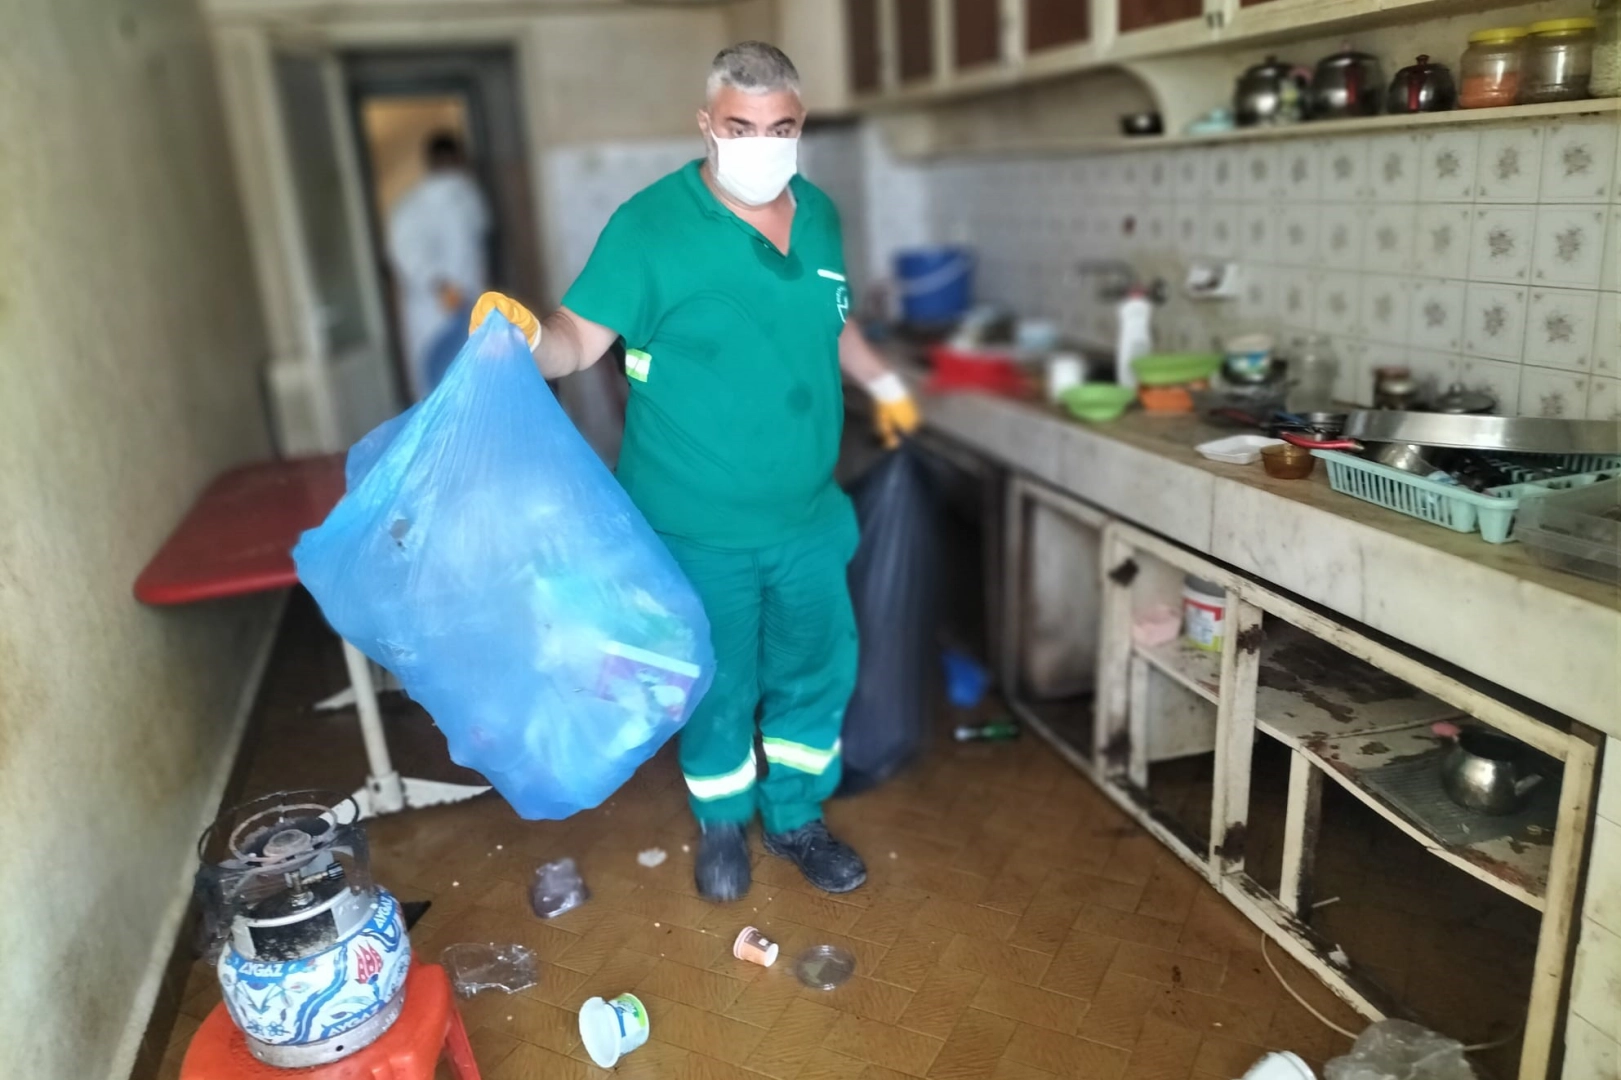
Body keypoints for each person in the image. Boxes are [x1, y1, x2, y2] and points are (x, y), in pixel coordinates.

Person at [470, 42, 921, 902]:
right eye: (741, 127)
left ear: (800, 125)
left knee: (816, 674)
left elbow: (833, 321)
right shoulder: (648, 228)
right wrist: (526, 340)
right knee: (716, 686)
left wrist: (887, 384)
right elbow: (576, 341)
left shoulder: (820, 216)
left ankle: (796, 818)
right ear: (706, 124)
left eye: (780, 128)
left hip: (806, 518)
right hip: (695, 528)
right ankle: (721, 821)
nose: (762, 145)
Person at [386, 132, 491, 399]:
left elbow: (477, 243)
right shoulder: (412, 207)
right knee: (439, 383)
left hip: (468, 302)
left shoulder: (469, 197)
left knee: (475, 383)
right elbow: (408, 256)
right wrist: (440, 286)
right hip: (434, 310)